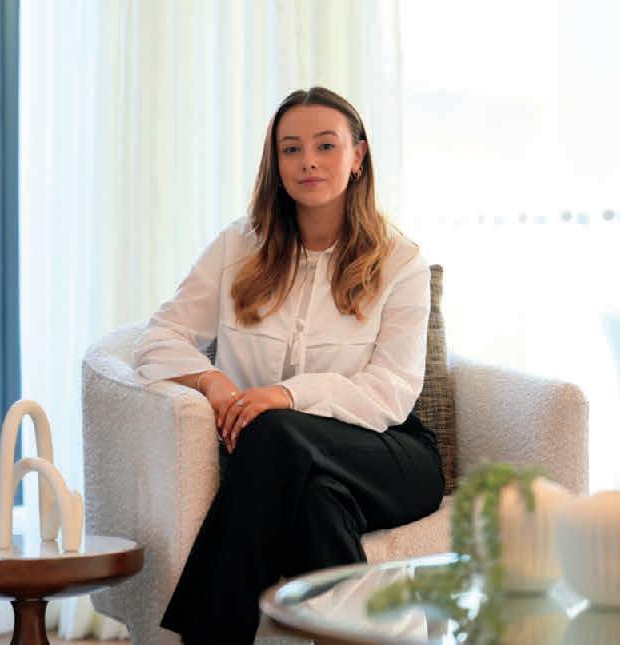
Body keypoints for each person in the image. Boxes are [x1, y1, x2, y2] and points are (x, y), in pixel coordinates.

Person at [133, 87, 445, 644]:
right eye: (291, 149)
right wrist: (212, 380)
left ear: (358, 156)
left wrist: (287, 395)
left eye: (326, 146)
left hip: (389, 453)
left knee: (275, 430)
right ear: (275, 163)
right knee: (315, 502)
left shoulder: (401, 261)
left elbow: (392, 392)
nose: (308, 162)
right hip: (282, 460)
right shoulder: (238, 247)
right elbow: (159, 338)